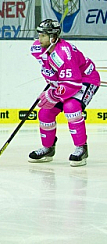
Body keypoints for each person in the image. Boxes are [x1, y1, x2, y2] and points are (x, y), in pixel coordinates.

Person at [28, 19, 100, 166]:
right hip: (67, 81)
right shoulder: (40, 48)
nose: (39, 38)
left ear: (53, 38)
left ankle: (81, 148)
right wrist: (54, 84)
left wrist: (53, 94)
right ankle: (48, 148)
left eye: (43, 35)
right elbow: (53, 71)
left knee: (71, 107)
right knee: (45, 113)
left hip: (85, 80)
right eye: (39, 35)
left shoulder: (63, 54)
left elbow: (72, 84)